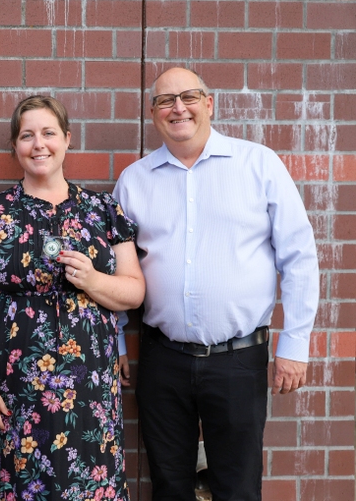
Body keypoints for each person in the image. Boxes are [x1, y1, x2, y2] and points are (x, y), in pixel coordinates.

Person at [112, 67, 319, 500]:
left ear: (209, 104)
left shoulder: (257, 164)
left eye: (189, 96)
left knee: (237, 487)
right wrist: (116, 343)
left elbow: (299, 257)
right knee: (168, 484)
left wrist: (294, 345)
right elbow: (116, 269)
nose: (178, 107)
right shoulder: (135, 180)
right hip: (162, 357)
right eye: (166, 101)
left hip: (238, 359)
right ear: (153, 114)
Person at [0, 95, 145, 501]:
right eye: (27, 135)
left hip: (86, 395)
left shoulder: (102, 210)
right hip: (8, 388)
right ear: (15, 147)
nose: (39, 144)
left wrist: (91, 279)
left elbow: (134, 291)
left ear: (67, 140)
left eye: (49, 133)